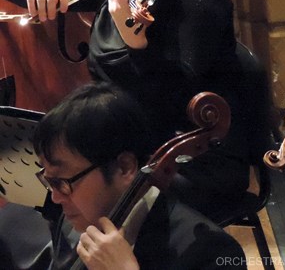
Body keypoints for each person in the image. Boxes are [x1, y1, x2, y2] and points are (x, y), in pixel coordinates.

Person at [0, 0, 250, 218]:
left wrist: (136, 44)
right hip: (126, 150)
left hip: (191, 159)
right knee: (54, 187)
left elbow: (172, 101)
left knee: (70, 189)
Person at [0, 81, 246, 269]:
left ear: (125, 167)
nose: (54, 197)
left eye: (62, 182)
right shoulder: (74, 224)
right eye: (49, 180)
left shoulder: (209, 253)